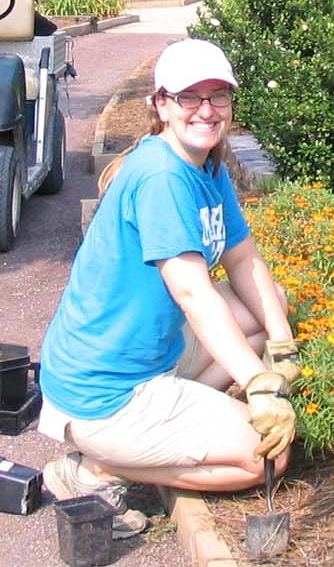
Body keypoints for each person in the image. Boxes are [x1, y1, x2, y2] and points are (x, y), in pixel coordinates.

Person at [37, 38, 301, 538]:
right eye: (189, 98)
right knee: (263, 458)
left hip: (145, 358)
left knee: (267, 314)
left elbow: (242, 258)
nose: (206, 110)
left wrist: (283, 342)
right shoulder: (161, 176)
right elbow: (194, 295)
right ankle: (94, 470)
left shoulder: (206, 164)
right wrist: (260, 386)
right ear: (160, 105)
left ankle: (161, 431)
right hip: (105, 394)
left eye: (217, 96)